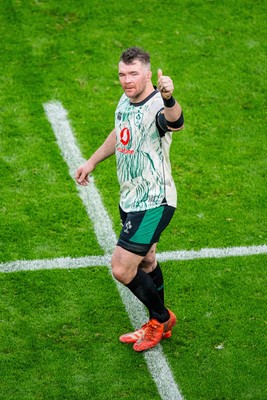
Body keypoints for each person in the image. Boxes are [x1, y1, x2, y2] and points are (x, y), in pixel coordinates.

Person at [75, 47, 184, 352]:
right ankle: (156, 321)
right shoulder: (125, 100)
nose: (126, 80)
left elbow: (175, 122)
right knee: (147, 260)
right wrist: (92, 161)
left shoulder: (156, 105)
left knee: (122, 268)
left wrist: (169, 96)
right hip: (130, 198)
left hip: (154, 201)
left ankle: (161, 319)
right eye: (122, 74)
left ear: (148, 74)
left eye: (133, 73)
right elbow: (120, 131)